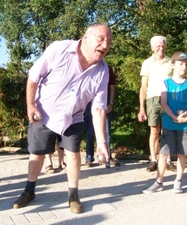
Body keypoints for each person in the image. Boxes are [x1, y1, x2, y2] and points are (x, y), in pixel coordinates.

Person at [12, 23, 112, 214]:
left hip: (74, 116)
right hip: (45, 113)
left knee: (73, 153)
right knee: (38, 154)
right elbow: (33, 77)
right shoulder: (60, 49)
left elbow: (99, 108)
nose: (105, 45)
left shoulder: (103, 71)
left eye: (109, 41)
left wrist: (101, 142)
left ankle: (73, 195)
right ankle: (29, 190)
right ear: (86, 37)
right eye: (101, 38)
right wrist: (31, 105)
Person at [143, 51, 187, 194]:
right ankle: (158, 182)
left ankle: (178, 181)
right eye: (180, 64)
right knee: (164, 154)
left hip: (185, 125)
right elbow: (164, 103)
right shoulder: (166, 83)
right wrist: (173, 116)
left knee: (182, 154)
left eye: (186, 64)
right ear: (173, 65)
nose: (184, 67)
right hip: (169, 124)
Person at [137, 35, 177, 172]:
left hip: (169, 99)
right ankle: (154, 160)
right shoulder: (147, 63)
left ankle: (167, 160)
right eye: (158, 46)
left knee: (168, 131)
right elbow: (143, 87)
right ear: (152, 48)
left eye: (163, 45)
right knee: (154, 130)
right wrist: (142, 108)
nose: (161, 48)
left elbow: (176, 81)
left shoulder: (171, 62)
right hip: (153, 99)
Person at [84, 65, 120, 168]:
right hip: (89, 100)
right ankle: (89, 157)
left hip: (104, 99)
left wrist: (111, 102)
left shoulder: (107, 68)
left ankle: (108, 157)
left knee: (106, 131)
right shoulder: (87, 67)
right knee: (90, 131)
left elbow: (112, 87)